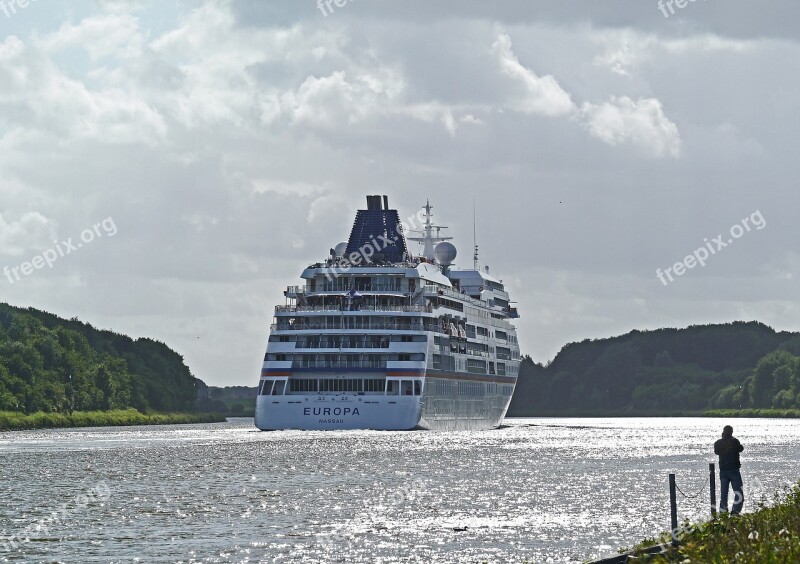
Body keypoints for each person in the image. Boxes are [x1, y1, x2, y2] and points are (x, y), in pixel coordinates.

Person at [714, 425, 744, 514]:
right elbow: (741, 448)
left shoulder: (718, 443)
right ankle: (735, 512)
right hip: (734, 470)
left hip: (723, 471)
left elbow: (716, 452)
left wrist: (723, 438)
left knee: (724, 495)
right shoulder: (735, 441)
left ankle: (723, 513)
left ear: (723, 432)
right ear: (731, 432)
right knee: (739, 494)